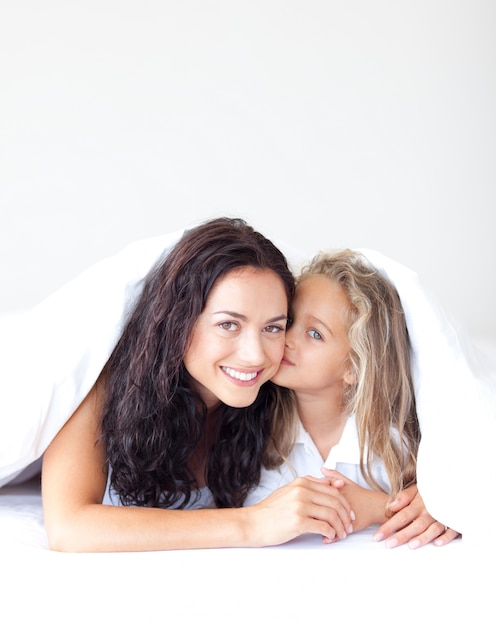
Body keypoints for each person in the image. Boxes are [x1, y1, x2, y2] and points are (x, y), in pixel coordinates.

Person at [40, 217, 354, 552]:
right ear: (178, 321)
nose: (255, 356)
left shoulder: (279, 391)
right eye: (229, 324)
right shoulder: (109, 383)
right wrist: (252, 523)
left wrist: (413, 494)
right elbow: (68, 526)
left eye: (273, 328)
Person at [245, 248, 461, 548]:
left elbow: (462, 509)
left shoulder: (392, 446)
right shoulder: (255, 428)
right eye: (289, 321)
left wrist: (378, 506)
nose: (287, 338)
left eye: (314, 333)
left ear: (353, 367)